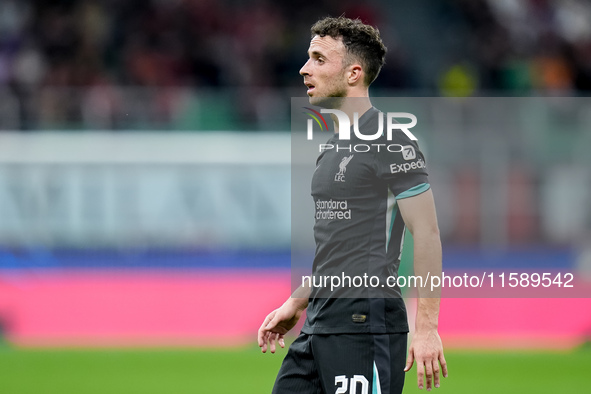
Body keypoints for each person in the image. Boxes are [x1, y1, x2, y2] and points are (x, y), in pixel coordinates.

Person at [258, 16, 447, 393]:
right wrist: (299, 301)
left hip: (367, 324)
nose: (304, 68)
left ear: (353, 73)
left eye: (318, 59)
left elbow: (426, 233)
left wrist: (427, 329)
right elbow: (343, 247)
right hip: (319, 323)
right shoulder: (332, 147)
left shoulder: (393, 141)